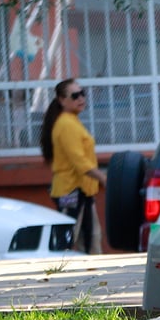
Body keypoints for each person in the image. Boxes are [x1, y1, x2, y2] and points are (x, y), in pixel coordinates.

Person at [40, 79, 107, 254]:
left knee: (90, 237)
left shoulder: (71, 121)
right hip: (71, 191)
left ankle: (93, 272)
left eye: (82, 93)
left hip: (82, 190)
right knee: (67, 239)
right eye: (75, 95)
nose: (81, 98)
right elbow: (79, 160)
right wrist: (103, 178)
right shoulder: (66, 124)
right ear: (62, 100)